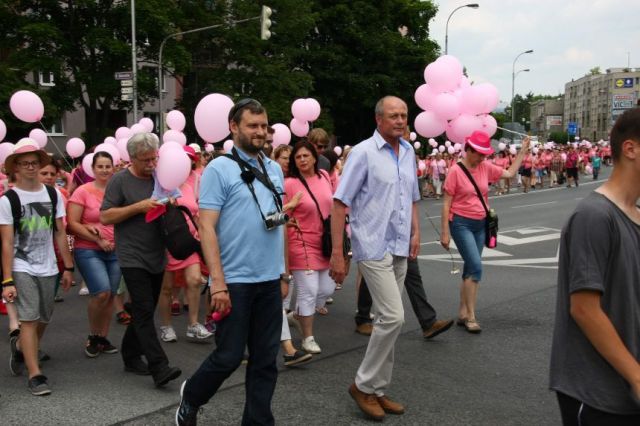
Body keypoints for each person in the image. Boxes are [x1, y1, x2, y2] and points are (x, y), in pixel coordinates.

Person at [176, 99, 288, 425]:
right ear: (234, 127)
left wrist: (284, 274)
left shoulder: (274, 169)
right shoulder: (218, 169)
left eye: (264, 126)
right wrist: (218, 282)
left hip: (268, 279)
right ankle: (192, 396)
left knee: (266, 361)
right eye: (253, 126)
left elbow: (275, 221)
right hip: (234, 281)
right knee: (227, 357)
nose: (260, 132)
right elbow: (206, 227)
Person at [330, 96, 420, 421]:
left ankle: (377, 389)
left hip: (398, 244)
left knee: (387, 321)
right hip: (371, 245)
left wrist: (416, 232)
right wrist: (338, 253)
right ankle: (362, 384)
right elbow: (340, 203)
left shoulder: (408, 152)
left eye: (404, 115)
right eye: (393, 116)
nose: (400, 120)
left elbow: (411, 196)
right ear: (379, 119)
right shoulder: (363, 153)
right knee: (394, 318)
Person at [549, 107, 640, 425]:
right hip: (599, 392)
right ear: (630, 148)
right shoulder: (595, 216)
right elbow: (585, 310)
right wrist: (637, 378)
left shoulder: (634, 214)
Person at [100, 133, 181, 387]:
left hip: (157, 253)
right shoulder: (120, 181)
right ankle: (160, 367)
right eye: (145, 160)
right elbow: (105, 216)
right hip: (131, 255)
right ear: (132, 158)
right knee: (145, 311)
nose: (151, 164)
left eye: (153, 158)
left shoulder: (161, 175)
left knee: (144, 310)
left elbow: (174, 202)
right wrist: (137, 207)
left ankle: (130, 354)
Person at [0, 139, 74, 395]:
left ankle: (21, 348)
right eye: (25, 164)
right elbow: (8, 242)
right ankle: (35, 374)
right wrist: (7, 279)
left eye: (34, 162)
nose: (31, 167)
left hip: (49, 266)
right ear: (16, 168)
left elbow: (60, 233)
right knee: (29, 319)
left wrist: (68, 267)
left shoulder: (53, 194)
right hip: (22, 265)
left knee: (44, 317)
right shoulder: (8, 200)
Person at [440, 131, 529, 333]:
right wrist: (444, 233)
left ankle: (463, 312)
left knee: (470, 268)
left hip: (481, 223)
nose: (483, 157)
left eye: (484, 154)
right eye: (479, 153)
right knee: (476, 267)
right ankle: (471, 316)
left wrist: (523, 152)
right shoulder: (455, 171)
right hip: (461, 223)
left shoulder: (485, 167)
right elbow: (446, 203)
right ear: (469, 150)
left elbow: (509, 174)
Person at [67, 152, 121, 357]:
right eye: (101, 166)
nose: (105, 170)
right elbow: (72, 223)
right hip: (89, 249)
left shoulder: (117, 191)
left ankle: (103, 338)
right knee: (101, 293)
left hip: (116, 250)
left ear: (113, 168)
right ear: (93, 168)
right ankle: (93, 335)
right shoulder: (82, 191)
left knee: (111, 295)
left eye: (108, 166)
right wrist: (97, 239)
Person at [284, 140, 336, 354]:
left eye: (306, 155)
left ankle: (297, 316)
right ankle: (307, 337)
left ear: (315, 157)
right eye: (298, 157)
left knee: (327, 289)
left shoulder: (324, 177)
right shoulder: (289, 183)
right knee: (309, 291)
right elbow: (279, 213)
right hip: (300, 242)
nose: (303, 160)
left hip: (323, 241)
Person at [158, 145, 212, 343]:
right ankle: (166, 326)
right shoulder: (159, 185)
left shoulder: (189, 186)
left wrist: (202, 236)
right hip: (167, 243)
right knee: (167, 288)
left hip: (189, 241)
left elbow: (195, 213)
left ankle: (193, 324)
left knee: (195, 280)